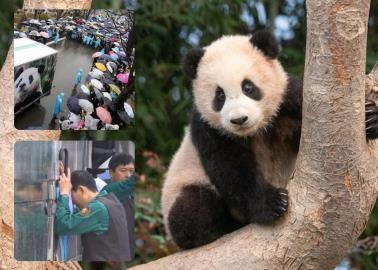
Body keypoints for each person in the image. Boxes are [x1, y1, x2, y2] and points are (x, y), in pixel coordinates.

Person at [55, 166, 134, 261]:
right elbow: (77, 215)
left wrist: (63, 194)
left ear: (81, 190)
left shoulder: (98, 208)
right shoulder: (111, 201)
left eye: (71, 195)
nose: (72, 202)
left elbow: (63, 225)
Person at [101, 153, 136, 260]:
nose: (128, 175)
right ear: (111, 173)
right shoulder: (108, 192)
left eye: (131, 171)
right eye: (123, 170)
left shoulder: (131, 195)